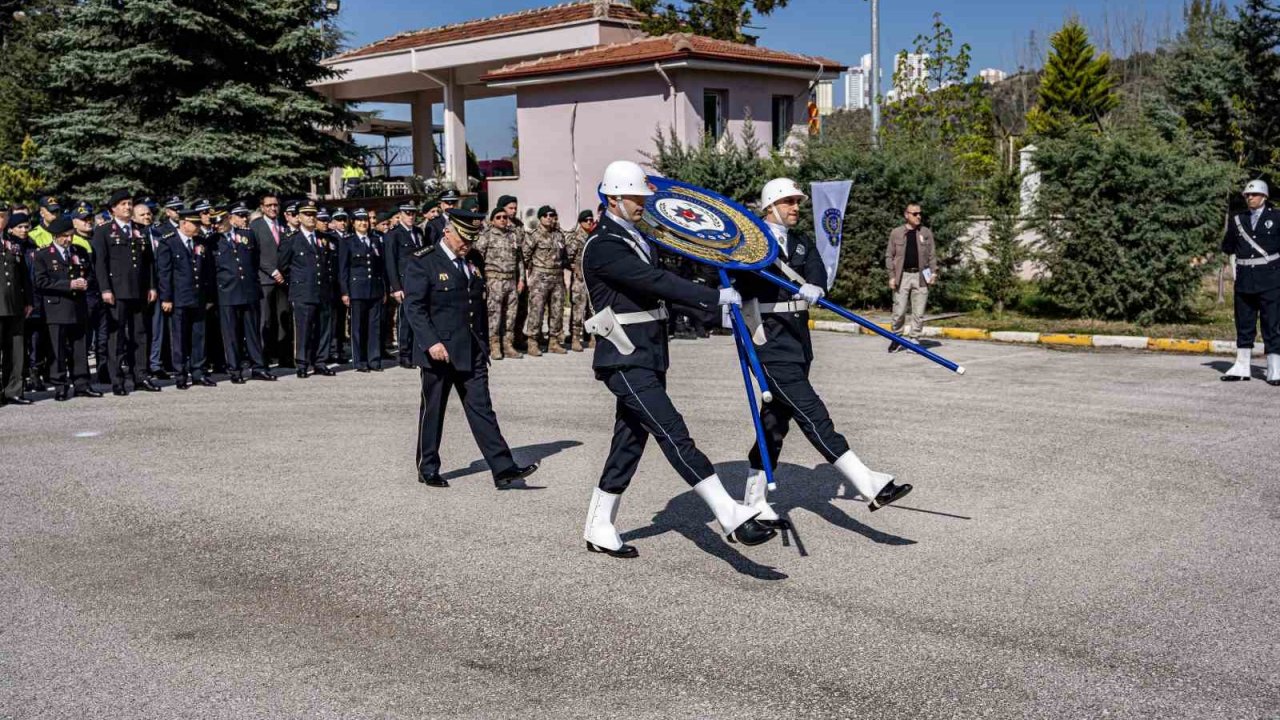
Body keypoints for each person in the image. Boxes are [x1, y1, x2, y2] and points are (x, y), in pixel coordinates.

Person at [579, 160, 776, 559]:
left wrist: (715, 311)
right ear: (614, 200)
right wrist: (711, 296)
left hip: (648, 354)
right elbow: (654, 283)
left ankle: (599, 524)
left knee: (629, 443)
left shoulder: (638, 238)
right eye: (636, 198)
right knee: (673, 432)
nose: (643, 204)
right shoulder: (604, 246)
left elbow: (659, 299)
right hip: (624, 357)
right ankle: (729, 514)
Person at [732, 179, 912, 523]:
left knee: (774, 423)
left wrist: (816, 287)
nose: (796, 207)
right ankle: (868, 483)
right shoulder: (751, 245)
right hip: (767, 342)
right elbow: (743, 282)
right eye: (788, 202)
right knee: (813, 413)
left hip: (798, 342)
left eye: (798, 202)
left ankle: (754, 503)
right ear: (770, 207)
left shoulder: (801, 242)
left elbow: (818, 276)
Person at [402, 209, 538, 489]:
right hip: (439, 352)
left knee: (482, 410)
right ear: (447, 232)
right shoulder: (423, 261)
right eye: (464, 238)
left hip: (471, 348)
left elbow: (475, 306)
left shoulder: (473, 259)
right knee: (434, 410)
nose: (468, 244)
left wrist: (484, 345)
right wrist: (431, 342)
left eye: (472, 239)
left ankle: (503, 469)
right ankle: (428, 467)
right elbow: (413, 307)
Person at [90, 189, 161, 395]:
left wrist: (151, 286)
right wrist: (105, 289)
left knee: (140, 335)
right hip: (116, 292)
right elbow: (100, 264)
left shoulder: (139, 229)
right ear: (113, 209)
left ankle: (140, 376)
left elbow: (148, 263)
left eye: (129, 204)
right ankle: (117, 380)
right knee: (117, 337)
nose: (127, 208)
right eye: (123, 204)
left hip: (139, 291)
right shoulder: (104, 231)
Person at [33, 216, 103, 401]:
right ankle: (60, 385)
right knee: (57, 349)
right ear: (55, 236)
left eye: (70, 235)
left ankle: (81, 383)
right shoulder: (43, 255)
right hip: (56, 308)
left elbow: (89, 274)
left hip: (78, 307)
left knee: (80, 348)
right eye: (64, 236)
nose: (68, 240)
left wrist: (84, 282)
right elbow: (41, 282)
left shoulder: (78, 251)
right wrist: (69, 284)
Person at [1221, 179, 1280, 384]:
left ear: (1264, 197)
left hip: (1271, 279)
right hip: (1245, 279)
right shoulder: (1238, 220)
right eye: (1247, 195)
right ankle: (1242, 366)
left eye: (1253, 195)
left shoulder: (1277, 217)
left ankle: (1275, 368)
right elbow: (1227, 246)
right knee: (1244, 323)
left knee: (1271, 324)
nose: (1250, 198)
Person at [157, 208, 217, 390]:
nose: (198, 226)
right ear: (183, 224)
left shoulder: (200, 242)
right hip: (178, 298)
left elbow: (207, 272)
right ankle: (180, 374)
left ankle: (198, 372)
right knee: (179, 338)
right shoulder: (168, 242)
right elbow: (164, 273)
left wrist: (208, 296)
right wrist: (166, 298)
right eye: (195, 223)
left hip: (198, 297)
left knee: (199, 336)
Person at [273, 202, 335, 378]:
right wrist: (296, 284)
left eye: (313, 214)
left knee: (323, 328)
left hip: (322, 290)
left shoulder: (323, 238)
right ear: (298, 217)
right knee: (303, 329)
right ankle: (302, 363)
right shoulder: (291, 240)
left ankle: (320, 362)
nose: (311, 217)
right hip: (302, 292)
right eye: (306, 214)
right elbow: (283, 266)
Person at [216, 203, 273, 383]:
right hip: (227, 292)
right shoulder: (213, 240)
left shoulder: (247, 235)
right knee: (231, 334)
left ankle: (258, 367)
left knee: (253, 332)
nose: (243, 219)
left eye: (244, 215)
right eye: (238, 216)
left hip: (248, 290)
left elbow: (254, 261)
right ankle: (235, 369)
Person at [885, 202, 938, 353]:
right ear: (906, 215)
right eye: (915, 214)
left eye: (920, 213)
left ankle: (914, 340)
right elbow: (889, 255)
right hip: (902, 276)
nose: (918, 216)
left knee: (919, 312)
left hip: (921, 276)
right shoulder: (896, 233)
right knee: (899, 310)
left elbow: (932, 255)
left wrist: (933, 272)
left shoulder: (926, 233)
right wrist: (891, 276)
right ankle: (896, 338)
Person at [472, 207, 523, 360]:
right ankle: (494, 346)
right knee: (494, 316)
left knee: (510, 315)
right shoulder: (486, 236)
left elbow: (519, 260)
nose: (502, 220)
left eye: (505, 217)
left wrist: (521, 280)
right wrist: (481, 281)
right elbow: (476, 260)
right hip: (494, 281)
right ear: (492, 220)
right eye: (499, 217)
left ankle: (508, 344)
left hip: (511, 281)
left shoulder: (513, 236)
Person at [338, 208, 386, 372]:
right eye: (359, 220)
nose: (363, 223)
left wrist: (384, 289)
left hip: (375, 289)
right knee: (358, 326)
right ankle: (360, 361)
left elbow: (381, 267)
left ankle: (374, 359)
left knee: (375, 326)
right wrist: (345, 291)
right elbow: (343, 269)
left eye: (365, 220)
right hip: (357, 289)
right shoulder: (347, 242)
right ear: (353, 223)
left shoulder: (376, 240)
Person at [251, 193, 292, 369]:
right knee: (265, 321)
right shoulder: (256, 226)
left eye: (275, 205)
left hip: (283, 280)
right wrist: (273, 271)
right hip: (265, 279)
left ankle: (284, 357)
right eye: (269, 205)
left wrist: (284, 272)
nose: (273, 208)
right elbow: (255, 253)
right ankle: (263, 357)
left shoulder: (283, 225)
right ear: (262, 207)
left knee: (283, 319)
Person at [522, 205, 568, 356]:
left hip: (557, 278)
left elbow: (563, 257)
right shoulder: (534, 235)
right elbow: (525, 257)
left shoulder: (559, 235)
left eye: (551, 215)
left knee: (557, 310)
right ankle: (532, 342)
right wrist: (529, 276)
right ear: (540, 218)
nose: (549, 217)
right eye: (545, 215)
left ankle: (554, 341)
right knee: (537, 311)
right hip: (540, 278)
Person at [383, 202, 423, 369]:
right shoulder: (394, 234)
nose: (411, 216)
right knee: (405, 320)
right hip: (404, 282)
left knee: (418, 318)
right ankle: (404, 354)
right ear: (400, 215)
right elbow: (390, 263)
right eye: (407, 213)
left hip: (419, 281)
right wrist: (396, 287)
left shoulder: (419, 232)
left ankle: (416, 353)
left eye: (413, 213)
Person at [136, 202, 172, 380]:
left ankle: (155, 364)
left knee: (158, 328)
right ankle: (139, 364)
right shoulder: (134, 234)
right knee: (140, 329)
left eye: (148, 214)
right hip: (139, 288)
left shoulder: (159, 233)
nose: (146, 217)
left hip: (159, 285)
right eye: (142, 215)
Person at [1, 206, 32, 405]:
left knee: (16, 349)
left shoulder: (13, 244)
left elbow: (23, 276)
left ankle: (13, 390)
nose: (2, 220)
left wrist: (28, 300)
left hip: (15, 303)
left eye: (3, 216)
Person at [563, 210, 595, 352]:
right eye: (586, 220)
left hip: (593, 279)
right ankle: (575, 337)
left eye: (591, 219)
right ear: (581, 222)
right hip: (580, 280)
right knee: (578, 310)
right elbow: (567, 257)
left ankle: (593, 337)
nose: (589, 222)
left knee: (593, 310)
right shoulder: (576, 238)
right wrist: (575, 268)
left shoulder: (594, 236)